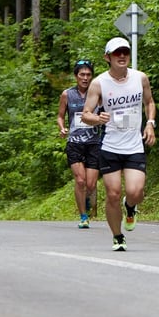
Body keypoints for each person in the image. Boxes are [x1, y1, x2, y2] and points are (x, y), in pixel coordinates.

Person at [81, 36, 156, 251]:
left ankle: (130, 206)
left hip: (134, 145)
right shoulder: (99, 83)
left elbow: (149, 102)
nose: (122, 56)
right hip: (110, 146)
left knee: (136, 191)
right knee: (112, 193)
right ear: (108, 57)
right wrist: (97, 119)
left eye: (125, 52)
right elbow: (85, 115)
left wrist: (150, 123)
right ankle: (117, 236)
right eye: (117, 53)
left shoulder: (140, 78)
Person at [57, 58, 102, 228]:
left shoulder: (98, 93)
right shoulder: (67, 94)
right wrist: (62, 128)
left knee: (91, 184)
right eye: (82, 74)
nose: (85, 78)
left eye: (88, 75)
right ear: (76, 76)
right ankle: (83, 216)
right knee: (80, 181)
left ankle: (87, 202)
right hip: (74, 142)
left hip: (93, 142)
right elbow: (61, 116)